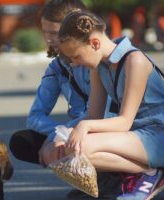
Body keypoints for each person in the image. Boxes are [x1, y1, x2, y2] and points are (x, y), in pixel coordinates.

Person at [41, 10, 164, 200]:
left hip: (155, 137)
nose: (74, 64)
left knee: (81, 149)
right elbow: (94, 116)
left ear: (94, 43)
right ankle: (131, 177)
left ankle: (149, 174)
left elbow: (124, 122)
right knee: (59, 150)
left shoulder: (135, 60)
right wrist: (61, 136)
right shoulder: (99, 67)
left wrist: (83, 127)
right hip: (130, 136)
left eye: (77, 56)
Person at [9, 0, 122, 198]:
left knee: (77, 138)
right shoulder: (57, 67)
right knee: (21, 141)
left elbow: (102, 115)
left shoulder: (98, 60)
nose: (49, 39)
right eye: (45, 32)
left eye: (54, 33)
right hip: (79, 130)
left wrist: (66, 134)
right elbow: (35, 116)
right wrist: (58, 135)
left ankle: (116, 178)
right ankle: (91, 180)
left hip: (112, 130)